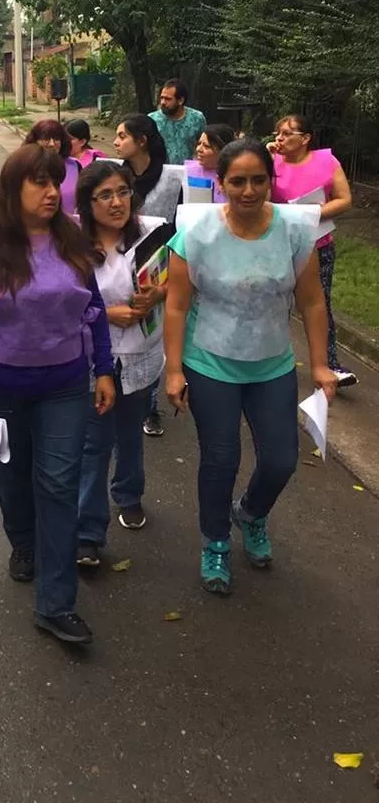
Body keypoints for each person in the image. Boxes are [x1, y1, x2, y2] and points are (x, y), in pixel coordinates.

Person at [0, 145, 115, 646]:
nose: (51, 192)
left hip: (64, 382)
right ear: (13, 188)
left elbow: (96, 310)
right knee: (13, 476)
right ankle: (23, 541)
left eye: (56, 182)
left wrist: (103, 369)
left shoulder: (72, 241)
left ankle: (56, 604)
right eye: (39, 182)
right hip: (1, 385)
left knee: (60, 485)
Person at [164, 139, 338, 596]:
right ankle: (215, 541)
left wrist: (321, 366)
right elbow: (177, 306)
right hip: (210, 363)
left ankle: (251, 514)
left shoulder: (294, 231)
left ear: (270, 181)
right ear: (221, 184)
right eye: (237, 181)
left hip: (272, 362)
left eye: (258, 180)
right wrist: (174, 370)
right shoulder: (196, 233)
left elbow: (313, 302)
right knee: (221, 459)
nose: (248, 190)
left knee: (281, 459)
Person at [75, 164, 167, 557]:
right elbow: (60, 303)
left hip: (142, 354)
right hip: (96, 359)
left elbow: (177, 278)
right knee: (95, 443)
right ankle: (89, 532)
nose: (117, 203)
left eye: (123, 192)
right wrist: (105, 314)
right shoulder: (72, 243)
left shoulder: (153, 232)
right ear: (87, 202)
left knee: (130, 433)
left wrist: (158, 295)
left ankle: (128, 492)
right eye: (105, 195)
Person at [269, 114, 357, 388]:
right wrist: (264, 155)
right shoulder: (270, 160)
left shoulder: (326, 161)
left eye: (286, 133)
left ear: (305, 138)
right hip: (278, 245)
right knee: (275, 303)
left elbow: (344, 200)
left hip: (318, 245)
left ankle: (330, 364)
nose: (279, 139)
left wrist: (309, 213)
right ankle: (273, 359)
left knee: (320, 303)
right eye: (277, 133)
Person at [113, 113, 183, 437]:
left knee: (154, 335)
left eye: (122, 136)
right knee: (126, 333)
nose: (116, 143)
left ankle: (149, 407)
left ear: (141, 141)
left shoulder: (173, 179)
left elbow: (182, 229)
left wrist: (168, 284)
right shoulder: (116, 176)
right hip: (120, 265)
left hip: (161, 266)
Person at [25, 119, 81, 215]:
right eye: (46, 139)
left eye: (56, 139)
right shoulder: (24, 166)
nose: (52, 144)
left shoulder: (75, 166)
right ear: (34, 141)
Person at [149, 80, 207, 165]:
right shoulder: (152, 119)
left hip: (187, 171)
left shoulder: (197, 118)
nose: (163, 102)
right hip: (159, 172)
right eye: (162, 98)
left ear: (180, 100)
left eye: (168, 99)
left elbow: (205, 145)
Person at [183, 123, 237, 203]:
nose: (199, 149)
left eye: (206, 146)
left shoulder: (236, 175)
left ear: (222, 150)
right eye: (199, 143)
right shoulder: (186, 172)